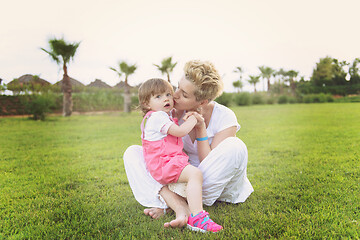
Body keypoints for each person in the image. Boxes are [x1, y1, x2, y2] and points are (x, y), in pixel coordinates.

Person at [124, 60, 253, 229]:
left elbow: (210, 161)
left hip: (212, 180)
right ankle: (180, 205)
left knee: (236, 146)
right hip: (181, 176)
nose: (174, 96)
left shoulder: (225, 117)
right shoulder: (167, 111)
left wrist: (201, 129)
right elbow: (158, 152)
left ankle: (170, 201)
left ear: (202, 102)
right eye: (177, 87)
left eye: (184, 94)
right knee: (133, 153)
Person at [136, 78, 223, 233]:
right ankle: (197, 217)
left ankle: (180, 209)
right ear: (146, 103)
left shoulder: (160, 116)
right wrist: (194, 119)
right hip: (164, 164)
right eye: (158, 97)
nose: (166, 99)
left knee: (191, 176)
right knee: (195, 174)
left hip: (164, 163)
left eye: (168, 94)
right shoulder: (157, 118)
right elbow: (180, 131)